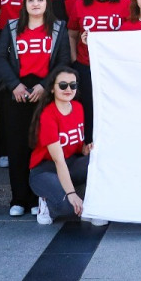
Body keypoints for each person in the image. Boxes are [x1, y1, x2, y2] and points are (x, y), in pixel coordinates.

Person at [0, 0, 70, 217]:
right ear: (24, 4)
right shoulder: (12, 27)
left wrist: (45, 86)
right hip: (17, 91)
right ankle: (19, 198)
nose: (35, 4)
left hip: (43, 92)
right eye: (31, 0)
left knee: (41, 147)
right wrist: (14, 85)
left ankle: (38, 197)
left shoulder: (58, 28)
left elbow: (63, 60)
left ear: (47, 3)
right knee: (16, 147)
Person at [68, 0, 129, 140]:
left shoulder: (125, 4)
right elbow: (72, 34)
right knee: (88, 108)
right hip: (86, 66)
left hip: (114, 68)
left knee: (114, 108)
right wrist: (74, 61)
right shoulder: (80, 5)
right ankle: (88, 145)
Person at [0, 0, 39, 168]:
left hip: (31, 37)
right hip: (5, 36)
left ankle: (31, 145)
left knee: (28, 91)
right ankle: (4, 148)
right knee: (5, 93)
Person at [29, 66, 91, 225]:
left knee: (97, 160)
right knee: (68, 208)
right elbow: (58, 160)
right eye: (63, 85)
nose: (68, 89)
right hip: (45, 171)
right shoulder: (48, 115)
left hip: (70, 164)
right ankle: (46, 202)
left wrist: (85, 149)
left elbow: (75, 145)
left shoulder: (78, 108)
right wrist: (71, 193)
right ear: (52, 89)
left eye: (73, 85)